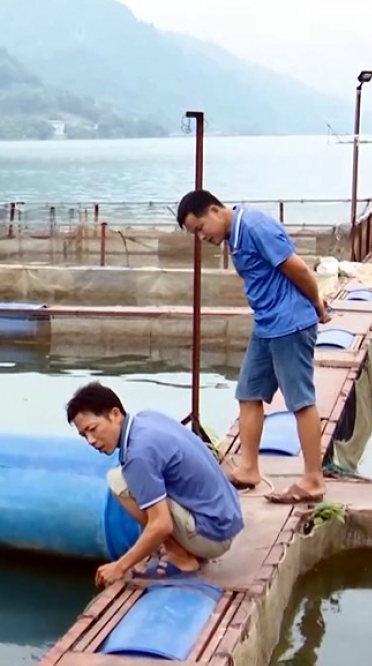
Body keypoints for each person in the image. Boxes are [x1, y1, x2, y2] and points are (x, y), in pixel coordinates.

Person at [175, 189, 331, 505]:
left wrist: (317, 304)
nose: (201, 237)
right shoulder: (234, 237)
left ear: (216, 211)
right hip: (265, 325)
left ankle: (313, 479)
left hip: (290, 324)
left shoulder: (256, 226)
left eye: (200, 228)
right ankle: (248, 468)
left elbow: (298, 269)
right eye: (195, 234)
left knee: (300, 401)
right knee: (248, 394)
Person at [66, 381, 244, 586]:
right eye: (84, 435)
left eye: (93, 429)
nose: (91, 440)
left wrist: (120, 566)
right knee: (129, 480)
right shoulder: (146, 419)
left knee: (118, 482)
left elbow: (162, 524)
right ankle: (181, 547)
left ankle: (181, 559)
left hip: (214, 537)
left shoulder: (138, 455)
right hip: (226, 518)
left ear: (115, 414)